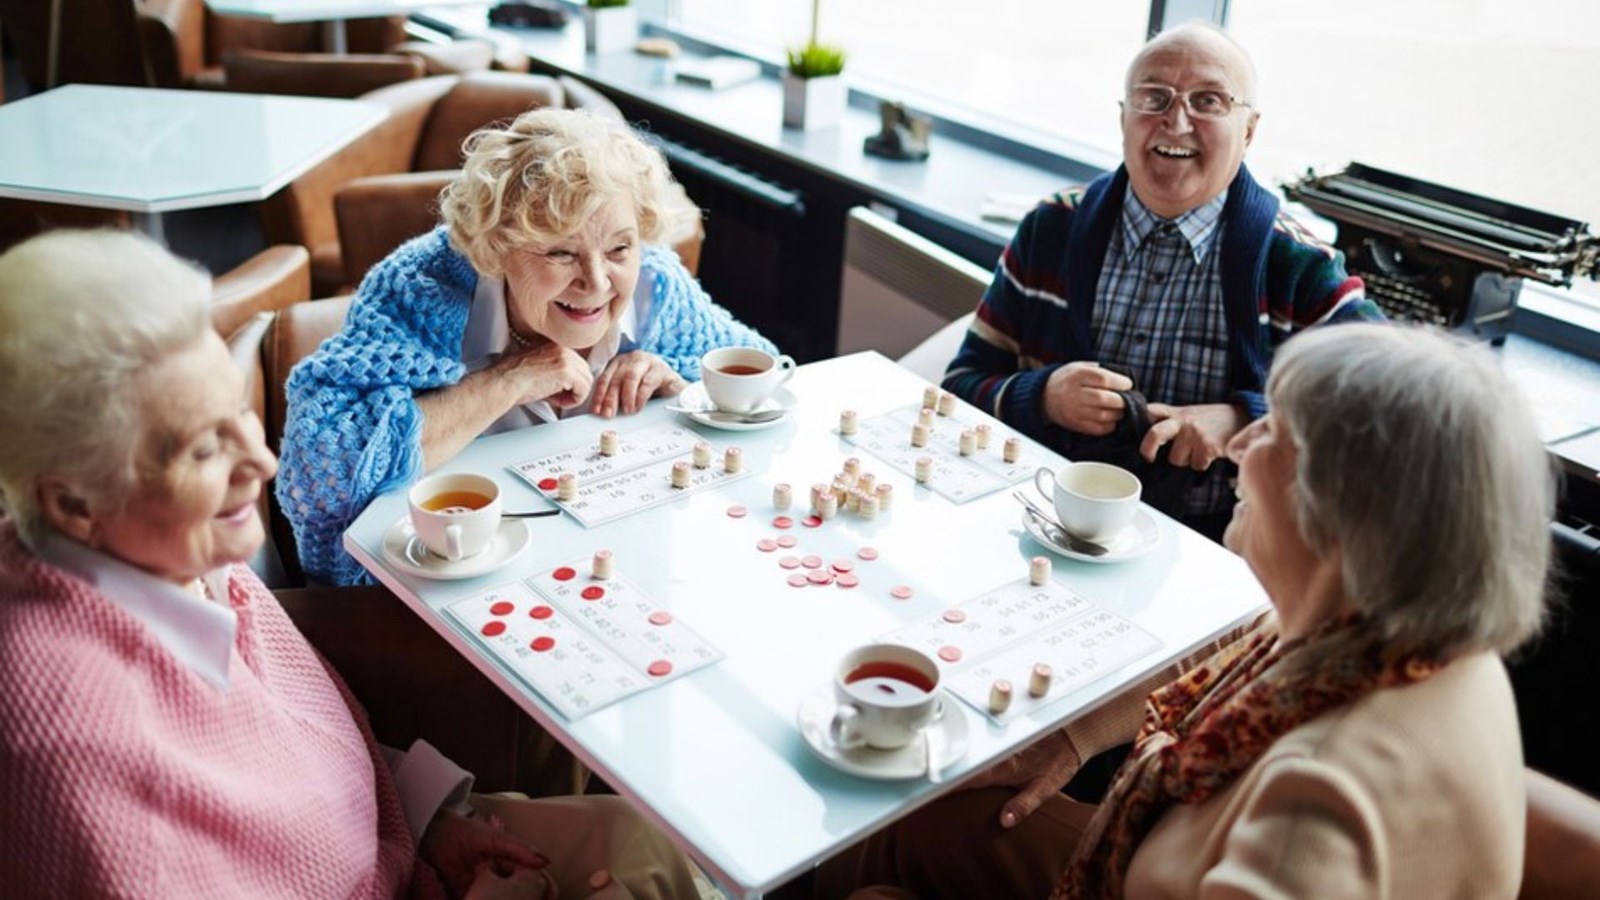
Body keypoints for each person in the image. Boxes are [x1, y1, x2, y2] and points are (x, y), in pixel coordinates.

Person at [0, 230, 705, 899]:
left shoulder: (164, 547)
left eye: (239, 415)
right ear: (72, 503)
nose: (262, 463)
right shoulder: (72, 743)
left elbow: (302, 746)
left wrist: (433, 824)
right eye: (203, 450)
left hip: (398, 847)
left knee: (643, 839)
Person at [820, 323, 1554, 898]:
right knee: (915, 815)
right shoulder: (1394, 627)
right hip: (1145, 863)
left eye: (1275, 431)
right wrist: (1074, 738)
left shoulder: (1310, 816)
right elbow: (1224, 644)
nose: (1241, 440)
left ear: (1343, 516)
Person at [279, 107, 777, 585]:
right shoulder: (417, 289)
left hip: (613, 562)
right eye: (561, 252)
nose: (596, 282)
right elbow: (318, 468)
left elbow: (765, 387)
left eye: (619, 248)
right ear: (497, 247)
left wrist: (681, 388)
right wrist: (507, 381)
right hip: (444, 583)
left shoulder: (655, 285)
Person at [943, 21, 1383, 540]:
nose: (1175, 122)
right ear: (1123, 117)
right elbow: (959, 386)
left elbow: (1385, 417)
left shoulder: (1300, 266)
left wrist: (1246, 421)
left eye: (1209, 101)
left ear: (1248, 130)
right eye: (1153, 98)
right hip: (1041, 518)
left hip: (1213, 544)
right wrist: (1042, 398)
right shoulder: (1051, 226)